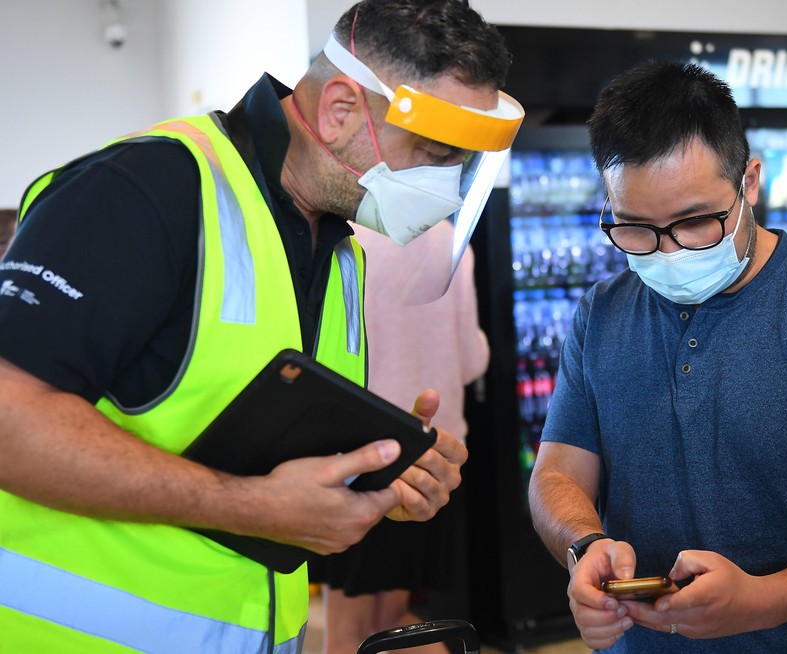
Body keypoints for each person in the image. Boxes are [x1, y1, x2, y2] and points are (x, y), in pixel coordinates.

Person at [0, 1, 523, 651]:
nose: (444, 183)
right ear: (338, 110)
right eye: (433, 152)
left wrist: (379, 472)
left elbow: (262, 445)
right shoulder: (145, 189)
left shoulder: (340, 250)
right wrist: (249, 505)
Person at [528, 60, 787, 653]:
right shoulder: (602, 314)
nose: (668, 253)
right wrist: (584, 547)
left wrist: (769, 598)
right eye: (636, 227)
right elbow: (556, 474)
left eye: (694, 223)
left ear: (750, 183)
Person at [310, 223, 490, 654]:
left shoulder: (345, 238)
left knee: (349, 631)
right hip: (433, 459)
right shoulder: (452, 241)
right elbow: (473, 360)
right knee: (397, 623)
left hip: (362, 455)